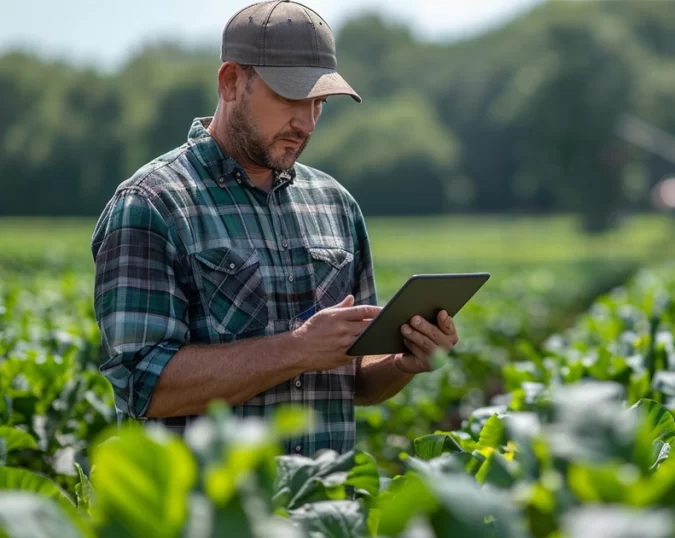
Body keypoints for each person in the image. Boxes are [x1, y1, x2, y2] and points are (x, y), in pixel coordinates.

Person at [90, 0, 459, 456]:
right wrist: (298, 349)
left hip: (319, 513)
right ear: (231, 83)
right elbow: (141, 384)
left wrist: (404, 362)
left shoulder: (336, 205)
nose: (305, 122)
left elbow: (356, 378)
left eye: (318, 103)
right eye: (289, 98)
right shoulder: (152, 205)